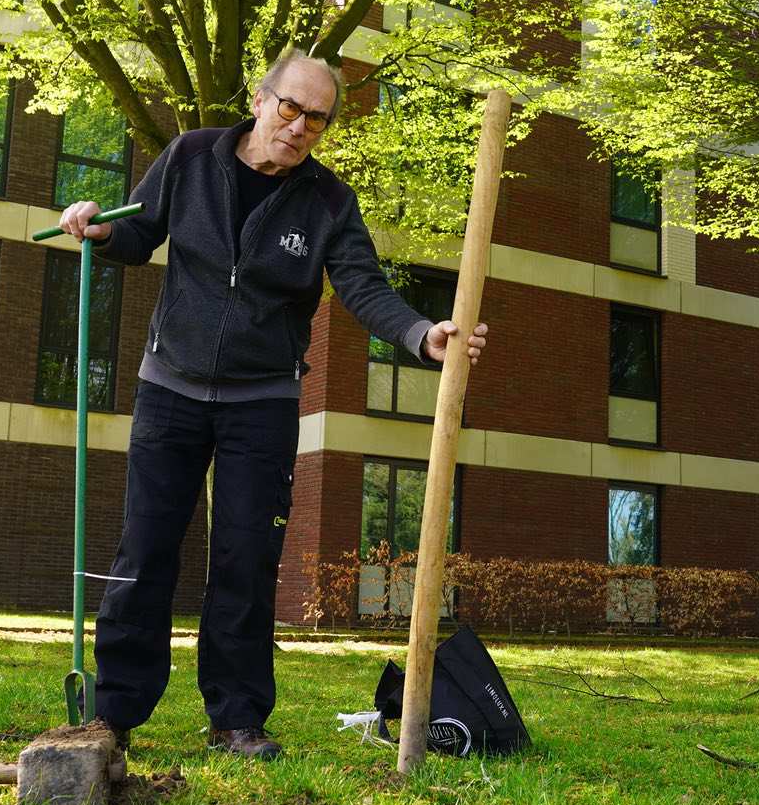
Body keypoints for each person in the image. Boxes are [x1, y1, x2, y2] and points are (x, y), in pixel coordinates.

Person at [57, 48, 489, 760]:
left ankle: (236, 720)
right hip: (170, 387)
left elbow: (362, 286)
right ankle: (115, 714)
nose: (298, 127)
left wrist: (421, 334)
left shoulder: (329, 202)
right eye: (290, 108)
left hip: (262, 400)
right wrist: (100, 228)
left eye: (316, 119)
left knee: (246, 559)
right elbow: (138, 232)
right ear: (260, 101)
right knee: (146, 549)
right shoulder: (190, 156)